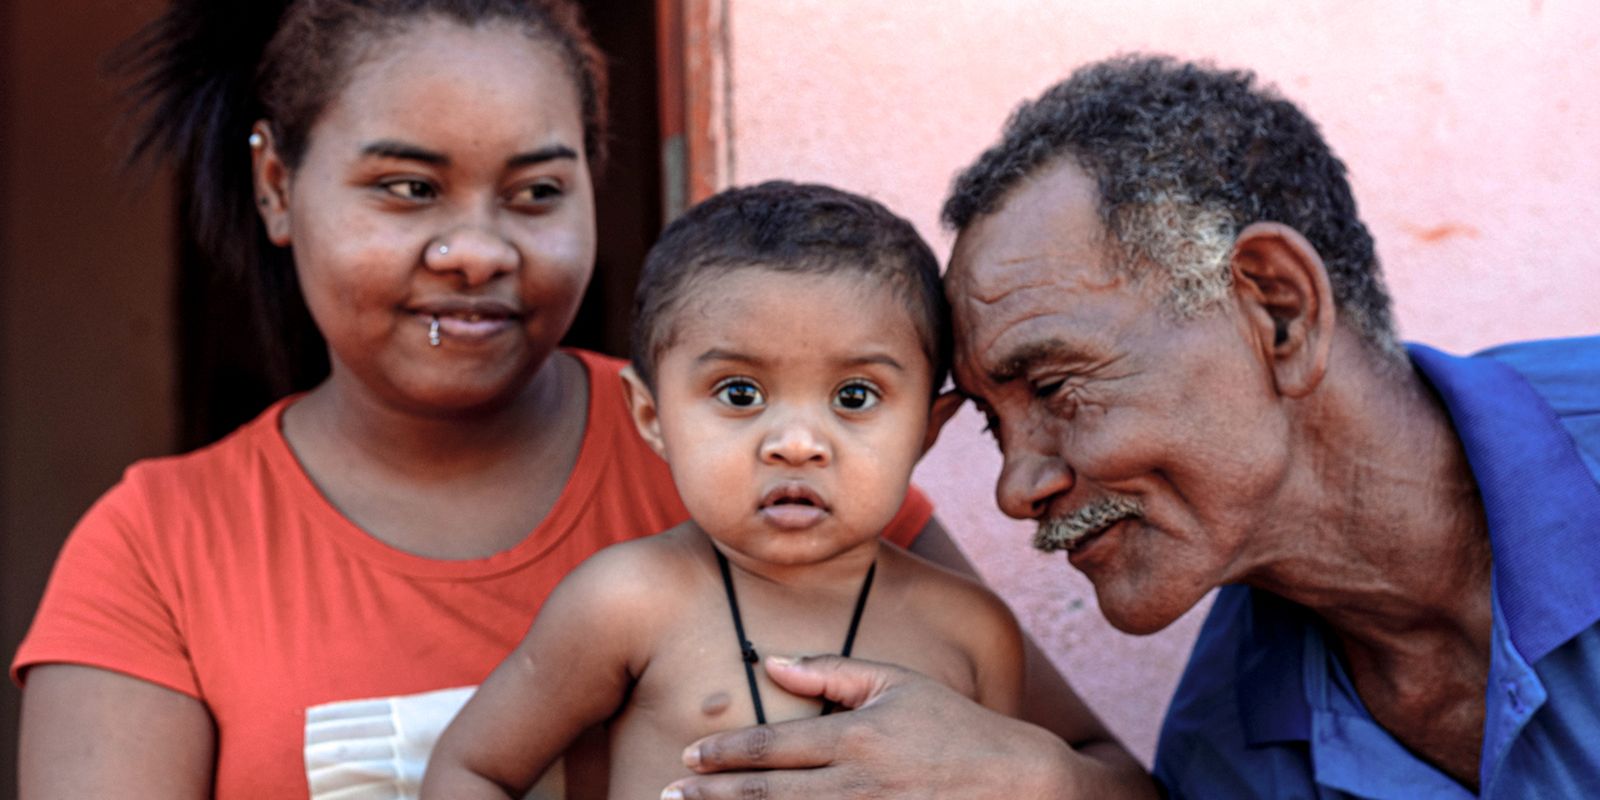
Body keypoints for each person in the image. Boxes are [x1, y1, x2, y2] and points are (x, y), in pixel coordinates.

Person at [12, 3, 1144, 798]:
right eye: (406, 189)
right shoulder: (158, 547)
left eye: (536, 190)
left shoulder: (777, 467)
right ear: (276, 184)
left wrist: (1003, 775)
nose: (473, 249)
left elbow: (1096, 776)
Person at [663, 55, 1600, 800]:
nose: (1016, 489)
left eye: (1060, 384)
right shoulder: (1230, 746)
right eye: (993, 424)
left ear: (1277, 309)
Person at [421, 180, 1026, 798]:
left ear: (926, 430)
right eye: (740, 394)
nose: (795, 442)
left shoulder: (973, 635)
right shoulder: (625, 603)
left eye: (855, 396)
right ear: (652, 418)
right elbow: (473, 770)